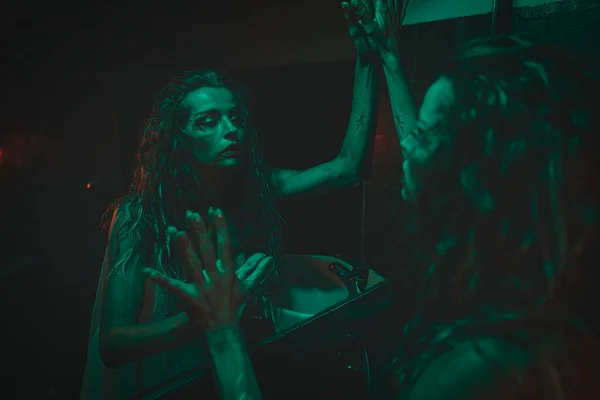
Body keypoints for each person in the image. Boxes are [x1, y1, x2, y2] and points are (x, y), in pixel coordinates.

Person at [79, 3, 382, 398]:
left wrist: (368, 57)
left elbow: (349, 168)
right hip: (166, 381)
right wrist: (207, 318)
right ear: (179, 141)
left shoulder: (258, 189)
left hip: (229, 369)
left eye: (236, 118)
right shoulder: (139, 217)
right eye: (208, 121)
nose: (231, 130)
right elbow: (113, 345)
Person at [376, 33, 600, 399]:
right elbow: (422, 158)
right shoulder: (546, 320)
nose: (406, 143)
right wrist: (390, 62)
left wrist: (242, 338)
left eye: (425, 132)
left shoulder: (472, 372)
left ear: (474, 176)